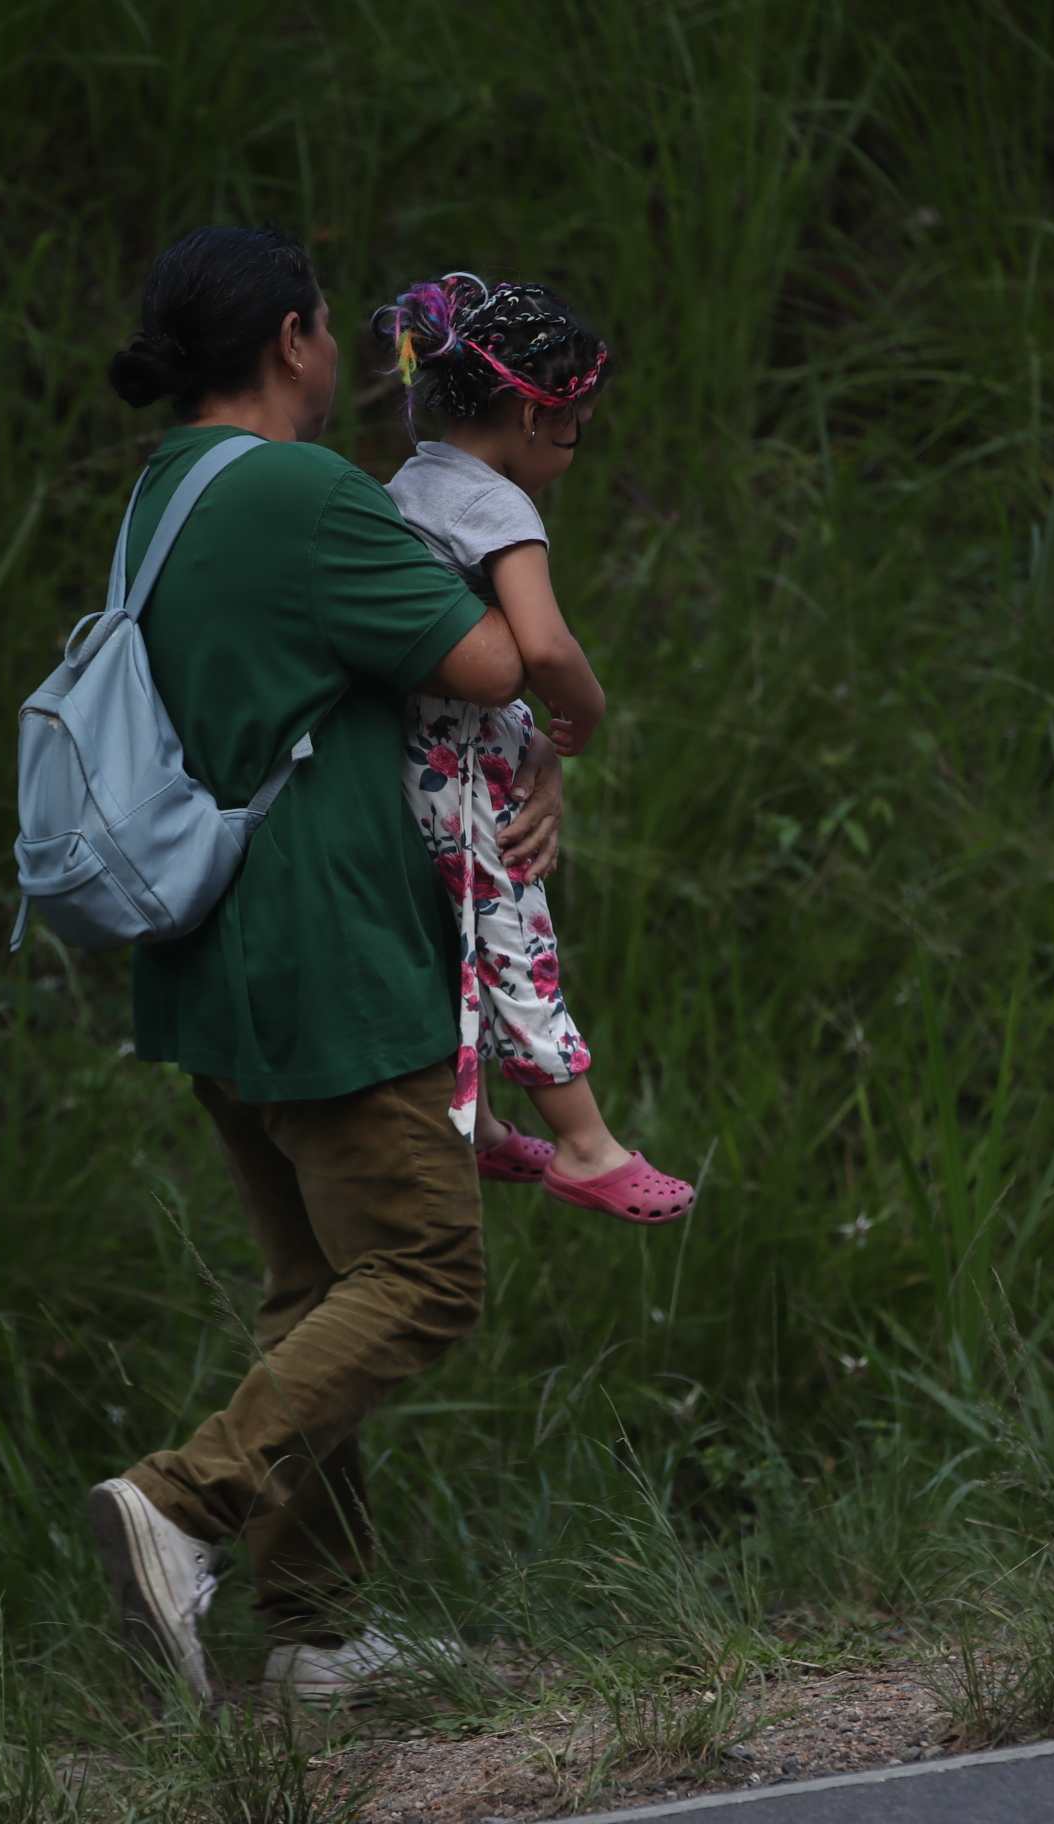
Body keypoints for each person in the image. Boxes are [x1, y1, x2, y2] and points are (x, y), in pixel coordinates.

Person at [79, 226, 560, 1704]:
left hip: (211, 949)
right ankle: (180, 1503)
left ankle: (316, 1637)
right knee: (422, 1272)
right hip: (327, 942)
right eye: (328, 329)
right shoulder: (297, 490)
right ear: (292, 340)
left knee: (316, 1283)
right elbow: (492, 665)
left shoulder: (165, 490)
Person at [379, 272, 694, 1225]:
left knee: (451, 937)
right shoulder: (497, 508)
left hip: (419, 747)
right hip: (456, 762)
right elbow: (546, 646)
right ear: (527, 413)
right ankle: (586, 1145)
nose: (572, 449)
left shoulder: (413, 481)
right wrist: (586, 713)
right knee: (512, 930)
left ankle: (467, 1121)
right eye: (574, 425)